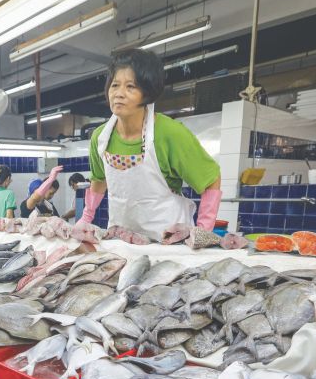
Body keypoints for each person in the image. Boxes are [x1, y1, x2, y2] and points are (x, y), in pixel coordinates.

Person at [73, 49, 222, 242]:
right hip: (123, 242)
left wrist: (203, 230)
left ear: (147, 93)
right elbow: (99, 180)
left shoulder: (170, 133)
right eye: (115, 85)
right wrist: (86, 218)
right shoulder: (100, 137)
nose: (119, 94)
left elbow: (211, 179)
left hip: (169, 243)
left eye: (130, 87)